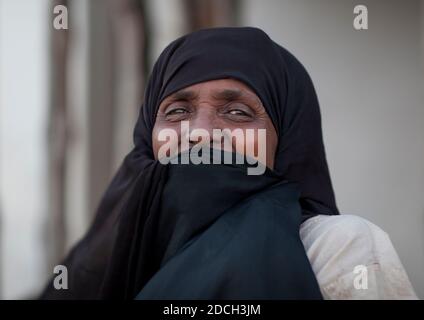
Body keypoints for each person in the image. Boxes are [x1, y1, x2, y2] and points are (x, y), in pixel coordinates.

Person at [40, 27, 417, 300]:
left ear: (286, 140)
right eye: (177, 110)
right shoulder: (114, 253)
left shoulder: (337, 249)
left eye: (237, 113)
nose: (200, 133)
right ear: (148, 137)